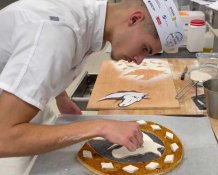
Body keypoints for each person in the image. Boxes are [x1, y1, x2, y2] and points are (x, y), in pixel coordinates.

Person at [0, 0, 183, 174]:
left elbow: (38, 62)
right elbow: (4, 139)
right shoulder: (56, 34)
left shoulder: (91, 15)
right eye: (145, 48)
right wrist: (100, 126)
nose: (139, 61)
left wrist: (60, 94)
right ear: (134, 18)